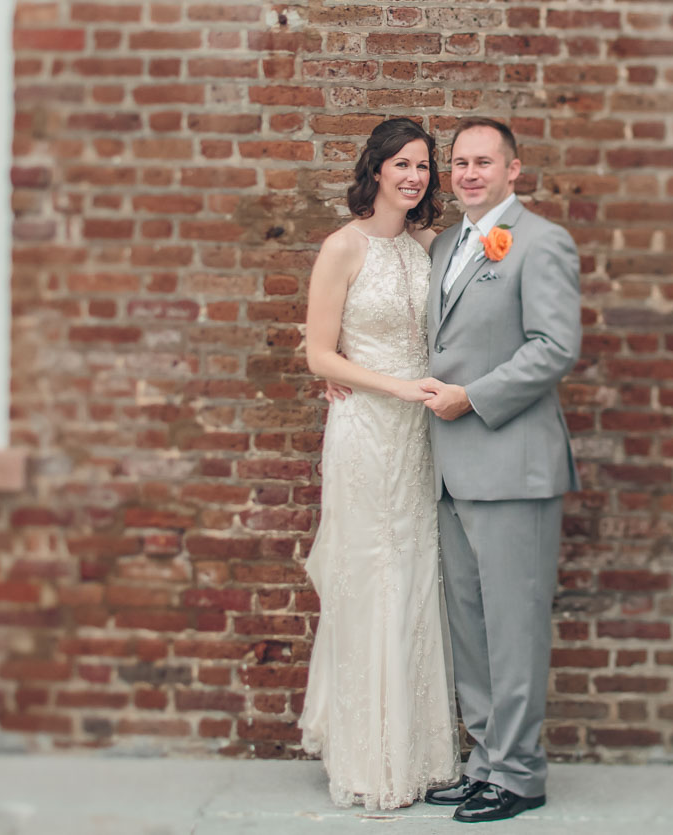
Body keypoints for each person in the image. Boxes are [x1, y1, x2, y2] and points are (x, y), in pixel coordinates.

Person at [417, 117, 581, 823]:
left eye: (485, 161)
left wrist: (472, 398)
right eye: (460, 163)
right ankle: (484, 760)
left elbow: (554, 347)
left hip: (513, 464)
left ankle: (519, 774)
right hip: (451, 468)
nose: (469, 173)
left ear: (515, 170)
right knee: (472, 627)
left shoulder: (543, 242)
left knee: (514, 629)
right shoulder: (449, 242)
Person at [296, 117, 458, 810]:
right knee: (369, 575)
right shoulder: (342, 246)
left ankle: (418, 751)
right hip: (366, 427)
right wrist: (395, 385)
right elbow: (319, 353)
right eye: (402, 163)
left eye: (423, 166)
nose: (414, 176)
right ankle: (368, 756)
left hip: (419, 439)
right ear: (377, 169)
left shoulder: (430, 246)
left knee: (416, 574)